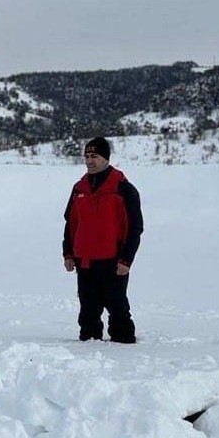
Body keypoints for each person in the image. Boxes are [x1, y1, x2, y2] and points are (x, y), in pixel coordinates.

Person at [62, 136, 143, 343]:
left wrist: (127, 259)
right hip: (85, 260)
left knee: (117, 308)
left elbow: (135, 227)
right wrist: (68, 253)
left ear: (106, 158)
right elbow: (71, 223)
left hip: (113, 260)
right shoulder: (79, 188)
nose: (89, 160)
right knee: (88, 310)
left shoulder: (123, 188)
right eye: (87, 156)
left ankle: (125, 351)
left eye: (94, 156)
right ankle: (88, 348)